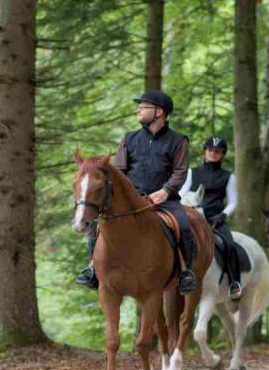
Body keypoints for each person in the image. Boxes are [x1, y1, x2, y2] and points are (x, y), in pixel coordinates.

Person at [75, 90, 197, 294]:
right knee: (97, 223)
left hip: (164, 198)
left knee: (183, 225)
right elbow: (120, 171)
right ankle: (92, 268)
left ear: (159, 112)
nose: (138, 110)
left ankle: (185, 272)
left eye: (143, 107)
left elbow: (180, 171)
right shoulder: (129, 139)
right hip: (132, 199)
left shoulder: (178, 140)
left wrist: (166, 191)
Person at [179, 137, 242, 299]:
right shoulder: (192, 172)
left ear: (222, 154)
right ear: (205, 151)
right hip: (192, 216)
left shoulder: (228, 177)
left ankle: (235, 283)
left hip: (215, 219)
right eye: (210, 150)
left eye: (218, 151)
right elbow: (181, 193)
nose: (213, 153)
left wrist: (223, 215)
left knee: (230, 245)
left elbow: (233, 201)